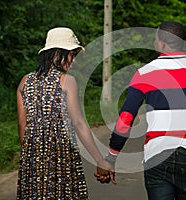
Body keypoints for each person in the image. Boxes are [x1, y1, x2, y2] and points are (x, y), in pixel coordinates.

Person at [101, 21, 186, 200]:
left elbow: (125, 119)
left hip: (157, 155)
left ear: (161, 42)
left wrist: (111, 158)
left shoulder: (144, 73)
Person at [16, 27, 115, 200]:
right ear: (58, 53)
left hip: (31, 162)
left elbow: (22, 125)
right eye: (71, 54)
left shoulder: (25, 81)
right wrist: (100, 160)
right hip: (61, 158)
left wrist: (33, 156)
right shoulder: (67, 81)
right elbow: (78, 123)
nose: (74, 60)